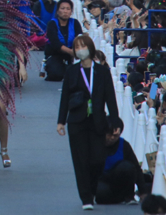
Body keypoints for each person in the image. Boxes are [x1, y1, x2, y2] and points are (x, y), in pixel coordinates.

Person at [57, 34, 119, 211]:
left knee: (97, 159)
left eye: (83, 46)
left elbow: (111, 98)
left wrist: (115, 121)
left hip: (98, 121)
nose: (80, 50)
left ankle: (92, 190)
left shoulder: (102, 71)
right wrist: (61, 121)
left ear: (90, 48)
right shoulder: (71, 71)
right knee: (80, 160)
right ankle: (86, 198)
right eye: (77, 47)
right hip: (77, 121)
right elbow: (65, 98)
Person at [96, 116, 143, 205]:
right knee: (100, 193)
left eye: (116, 135)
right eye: (110, 135)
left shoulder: (124, 145)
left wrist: (143, 191)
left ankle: (129, 196)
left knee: (127, 166)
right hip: (102, 180)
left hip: (119, 180)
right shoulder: (95, 144)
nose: (112, 138)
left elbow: (136, 167)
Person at [44, 0, 83, 81]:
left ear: (71, 12)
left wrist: (75, 52)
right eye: (62, 8)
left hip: (72, 56)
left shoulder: (75, 23)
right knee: (56, 75)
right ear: (57, 11)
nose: (65, 11)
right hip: (55, 54)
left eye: (68, 9)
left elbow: (79, 37)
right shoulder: (52, 23)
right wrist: (70, 52)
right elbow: (55, 43)